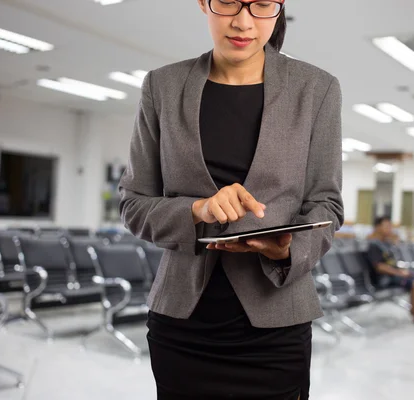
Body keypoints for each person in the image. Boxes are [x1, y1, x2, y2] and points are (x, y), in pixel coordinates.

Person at [118, 0, 344, 398]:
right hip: (183, 324)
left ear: (279, 8)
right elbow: (133, 203)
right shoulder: (163, 86)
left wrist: (284, 252)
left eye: (260, 5)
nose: (242, 21)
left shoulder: (317, 89)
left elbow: (328, 205)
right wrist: (196, 210)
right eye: (226, 2)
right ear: (203, 4)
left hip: (277, 325)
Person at [367, 216, 414, 325]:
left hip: (397, 274)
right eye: (386, 226)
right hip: (384, 279)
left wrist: (402, 271)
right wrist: (399, 273)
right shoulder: (374, 245)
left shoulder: (388, 244)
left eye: (390, 226)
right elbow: (380, 267)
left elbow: (394, 261)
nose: (389, 229)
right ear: (377, 227)